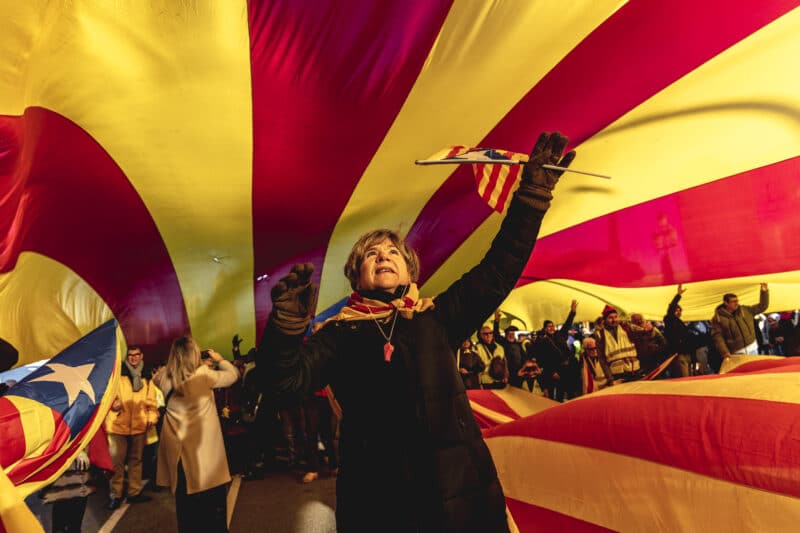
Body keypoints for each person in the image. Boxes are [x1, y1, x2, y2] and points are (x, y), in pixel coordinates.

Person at [258, 131, 575, 532]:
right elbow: (284, 382)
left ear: (410, 270)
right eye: (371, 254)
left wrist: (530, 199)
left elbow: (497, 270)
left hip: (458, 496)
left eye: (392, 252)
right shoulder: (338, 335)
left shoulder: (437, 317)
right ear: (356, 275)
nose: (383, 257)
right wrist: (286, 330)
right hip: (379, 503)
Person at [153, 337, 239, 533]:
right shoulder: (204, 375)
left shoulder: (164, 378)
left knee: (187, 516)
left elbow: (158, 375)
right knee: (214, 517)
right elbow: (233, 375)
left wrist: (176, 362)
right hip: (206, 461)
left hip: (180, 459)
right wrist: (219, 359)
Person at [105, 345, 158, 509]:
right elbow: (108, 396)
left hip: (139, 426)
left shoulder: (147, 377)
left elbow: (152, 402)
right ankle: (116, 495)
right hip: (117, 426)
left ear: (141, 356)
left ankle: (134, 492)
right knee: (116, 463)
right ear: (127, 357)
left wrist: (151, 417)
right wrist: (113, 405)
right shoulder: (118, 375)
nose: (134, 357)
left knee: (136, 461)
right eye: (130, 355)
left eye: (136, 355)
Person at [710, 284, 769, 365]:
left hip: (753, 348)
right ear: (726, 303)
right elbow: (718, 337)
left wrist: (764, 291)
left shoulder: (745, 310)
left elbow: (763, 306)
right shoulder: (718, 319)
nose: (737, 303)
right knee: (744, 375)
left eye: (737, 301)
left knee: (755, 373)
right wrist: (724, 352)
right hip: (737, 354)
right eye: (733, 301)